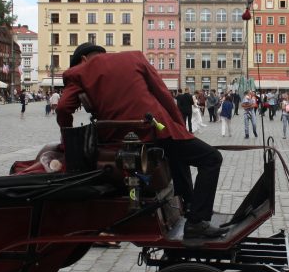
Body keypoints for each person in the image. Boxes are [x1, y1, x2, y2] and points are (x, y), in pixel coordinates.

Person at [55, 43, 225, 241]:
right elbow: (163, 95)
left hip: (118, 140)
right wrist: (180, 129)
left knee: (180, 156)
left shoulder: (77, 72)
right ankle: (196, 219)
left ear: (82, 60)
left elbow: (63, 109)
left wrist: (66, 140)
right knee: (210, 159)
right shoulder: (133, 56)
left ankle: (189, 208)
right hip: (156, 129)